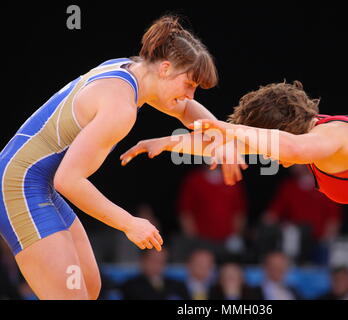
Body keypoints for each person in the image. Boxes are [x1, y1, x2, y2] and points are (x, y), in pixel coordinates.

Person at [123, 81, 348, 299]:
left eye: (265, 143)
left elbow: (288, 148)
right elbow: (231, 145)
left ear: (279, 129)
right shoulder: (312, 140)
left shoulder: (336, 135)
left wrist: (227, 127)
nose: (266, 157)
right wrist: (168, 142)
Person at [0, 14, 244, 300]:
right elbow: (69, 180)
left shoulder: (129, 69)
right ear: (165, 68)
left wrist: (223, 140)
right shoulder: (121, 108)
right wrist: (128, 222)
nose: (190, 96)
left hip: (40, 184)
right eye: (189, 84)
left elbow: (185, 111)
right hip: (19, 184)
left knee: (89, 288)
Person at [172, 165, 247, 262]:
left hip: (227, 240)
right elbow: (186, 212)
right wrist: (192, 238)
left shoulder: (233, 179)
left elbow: (239, 212)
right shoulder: (194, 179)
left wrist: (236, 235)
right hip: (201, 240)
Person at [120, 249, 189, 300]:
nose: (158, 265)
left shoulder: (178, 286)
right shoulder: (130, 286)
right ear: (143, 261)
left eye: (162, 261)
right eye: (154, 261)